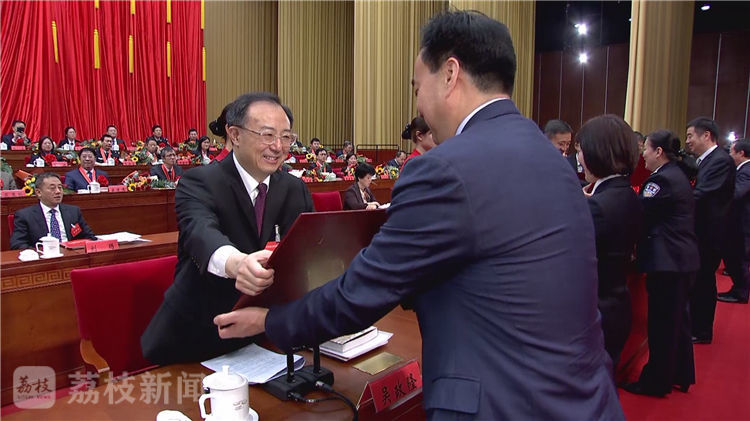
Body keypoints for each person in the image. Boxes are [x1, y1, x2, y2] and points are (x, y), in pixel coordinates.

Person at [212, 11, 623, 420]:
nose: (419, 105)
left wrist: (270, 320)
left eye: (417, 87)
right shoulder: (551, 158)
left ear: (450, 74)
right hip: (584, 397)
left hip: (503, 402)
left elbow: (362, 293)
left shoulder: (445, 168)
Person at [141, 92, 313, 364]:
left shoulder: (294, 189)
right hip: (196, 338)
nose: (278, 146)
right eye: (267, 135)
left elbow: (307, 251)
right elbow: (201, 234)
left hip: (264, 336)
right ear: (235, 135)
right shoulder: (199, 182)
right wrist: (238, 264)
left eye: (286, 137)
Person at [623, 130, 699, 396]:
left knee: (662, 326)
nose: (642, 154)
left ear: (658, 152)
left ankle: (656, 382)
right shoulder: (676, 175)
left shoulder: (661, 181)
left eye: (646, 149)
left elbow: (639, 213)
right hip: (681, 259)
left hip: (667, 262)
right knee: (678, 322)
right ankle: (680, 373)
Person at [577, 114, 642, 368]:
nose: (578, 158)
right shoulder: (626, 193)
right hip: (617, 304)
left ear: (597, 152)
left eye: (580, 151)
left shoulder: (598, 206)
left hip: (595, 312)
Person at [685, 117, 734, 344]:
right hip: (702, 231)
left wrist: (676, 200)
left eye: (690, 136)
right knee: (698, 281)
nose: (687, 141)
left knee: (703, 281)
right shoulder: (705, 160)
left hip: (709, 233)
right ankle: (696, 325)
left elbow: (703, 194)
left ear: (706, 135)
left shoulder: (720, 161)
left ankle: (702, 330)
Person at [9, 172, 96, 250]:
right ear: (38, 192)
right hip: (43, 258)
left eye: (60, 187)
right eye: (52, 188)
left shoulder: (73, 211)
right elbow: (17, 244)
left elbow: (90, 237)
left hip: (71, 255)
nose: (58, 191)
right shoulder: (25, 215)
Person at [719, 139, 750, 304]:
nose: (729, 155)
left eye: (731, 152)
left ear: (741, 153)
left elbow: (737, 193)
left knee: (739, 259)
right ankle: (738, 289)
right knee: (735, 258)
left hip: (743, 223)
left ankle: (741, 293)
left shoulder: (747, 170)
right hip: (738, 222)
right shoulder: (742, 169)